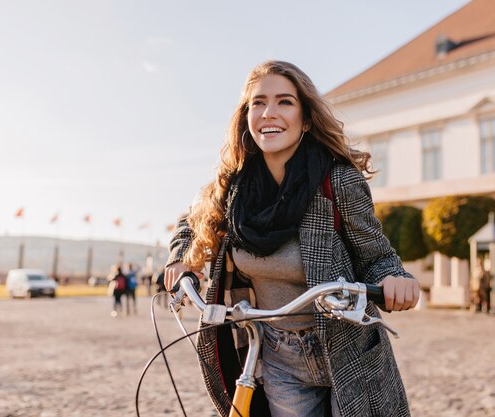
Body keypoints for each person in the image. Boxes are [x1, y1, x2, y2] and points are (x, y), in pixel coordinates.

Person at [165, 61, 420, 417]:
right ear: (246, 117)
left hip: (347, 346)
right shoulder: (232, 190)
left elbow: (376, 256)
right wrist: (179, 258)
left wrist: (396, 280)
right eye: (258, 102)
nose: (270, 112)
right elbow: (190, 223)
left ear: (306, 118)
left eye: (285, 101)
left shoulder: (337, 182)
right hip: (277, 354)